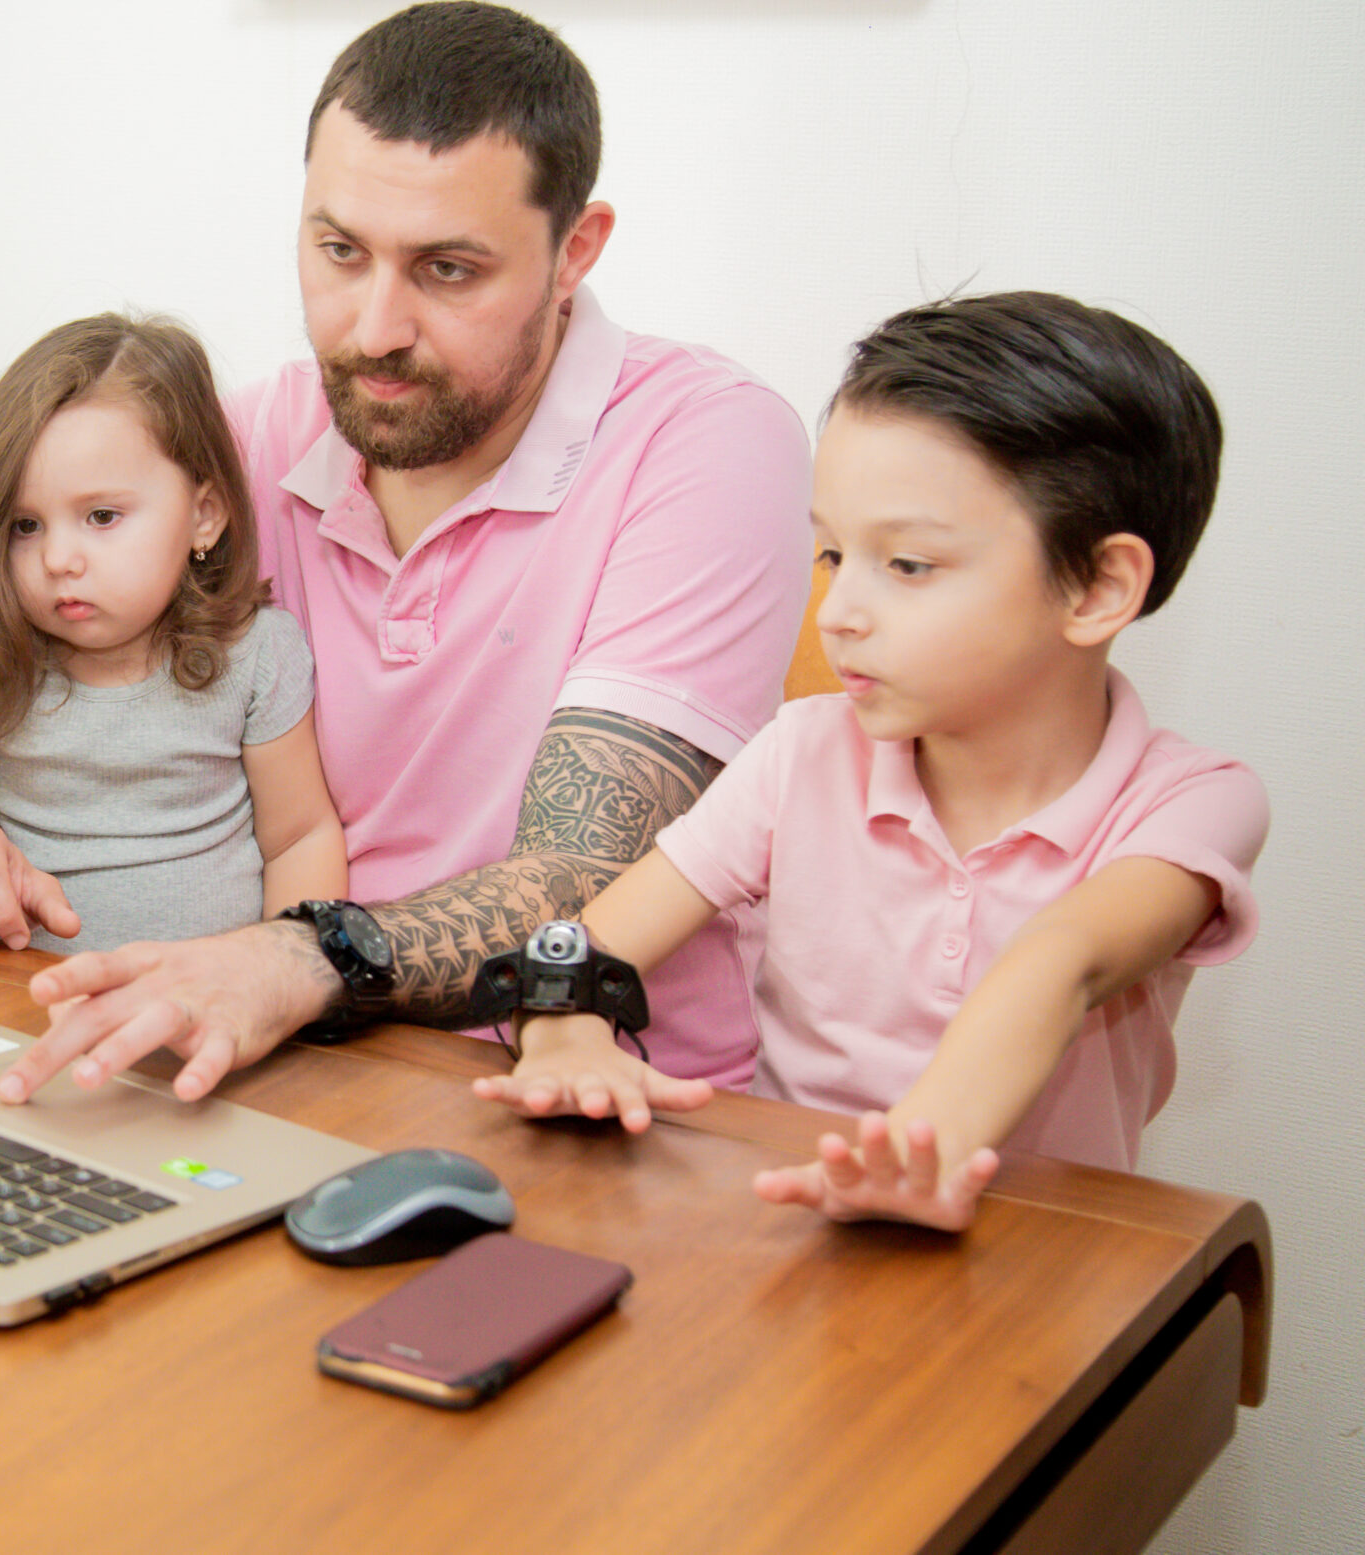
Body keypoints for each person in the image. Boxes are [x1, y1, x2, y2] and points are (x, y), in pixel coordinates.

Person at [0, 1, 812, 1105]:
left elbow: (593, 872)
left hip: (587, 1092)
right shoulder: (234, 448)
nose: (372, 328)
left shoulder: (708, 443)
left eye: (447, 271)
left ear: (574, 251)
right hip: (264, 1057)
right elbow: (1, 675)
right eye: (338, 251)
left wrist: (298, 958)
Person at [477, 292, 1268, 1230]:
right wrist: (564, 1034)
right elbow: (588, 948)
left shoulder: (1193, 803)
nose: (839, 611)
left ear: (1099, 585)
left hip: (1041, 1259)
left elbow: (1060, 963)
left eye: (909, 566)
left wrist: (913, 1154)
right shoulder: (801, 756)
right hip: (793, 1221)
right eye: (832, 553)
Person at [0, 313, 345, 954]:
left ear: (204, 514)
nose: (59, 558)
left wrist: (288, 976)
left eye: (101, 516)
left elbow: (300, 837)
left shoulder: (256, 655)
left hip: (203, 1019)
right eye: (25, 526)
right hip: (22, 1008)